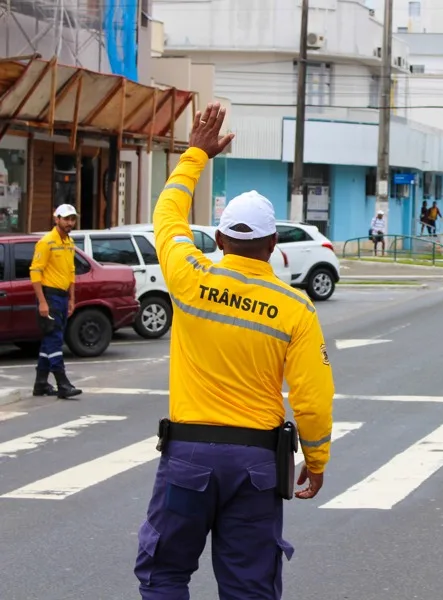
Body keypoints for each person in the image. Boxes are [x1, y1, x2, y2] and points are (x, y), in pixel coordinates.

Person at [133, 102, 335, 600]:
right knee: (249, 586)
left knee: (164, 574)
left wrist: (195, 156)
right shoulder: (295, 308)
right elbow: (311, 397)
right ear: (272, 246)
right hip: (256, 466)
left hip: (188, 457)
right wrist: (317, 458)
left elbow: (167, 216)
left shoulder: (188, 275)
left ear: (220, 239)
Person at [29, 203, 82, 399]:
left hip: (62, 296)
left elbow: (71, 272)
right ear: (56, 219)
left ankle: (41, 384)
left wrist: (72, 298)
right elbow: (35, 272)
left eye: (72, 219)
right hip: (49, 296)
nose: (70, 222)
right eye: (66, 218)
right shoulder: (46, 242)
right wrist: (42, 302)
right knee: (54, 340)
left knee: (49, 341)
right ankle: (62, 383)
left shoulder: (69, 243)